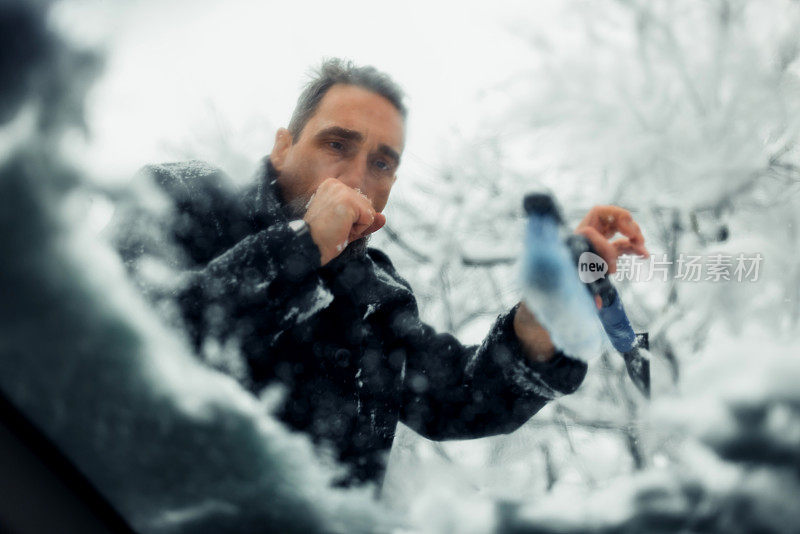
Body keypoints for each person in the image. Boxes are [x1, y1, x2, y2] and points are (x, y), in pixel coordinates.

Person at [109, 58, 648, 488]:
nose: (357, 175)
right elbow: (135, 334)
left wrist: (543, 317)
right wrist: (299, 248)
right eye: (336, 144)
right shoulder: (179, 198)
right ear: (282, 147)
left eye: (383, 162)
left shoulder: (376, 294)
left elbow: (457, 400)